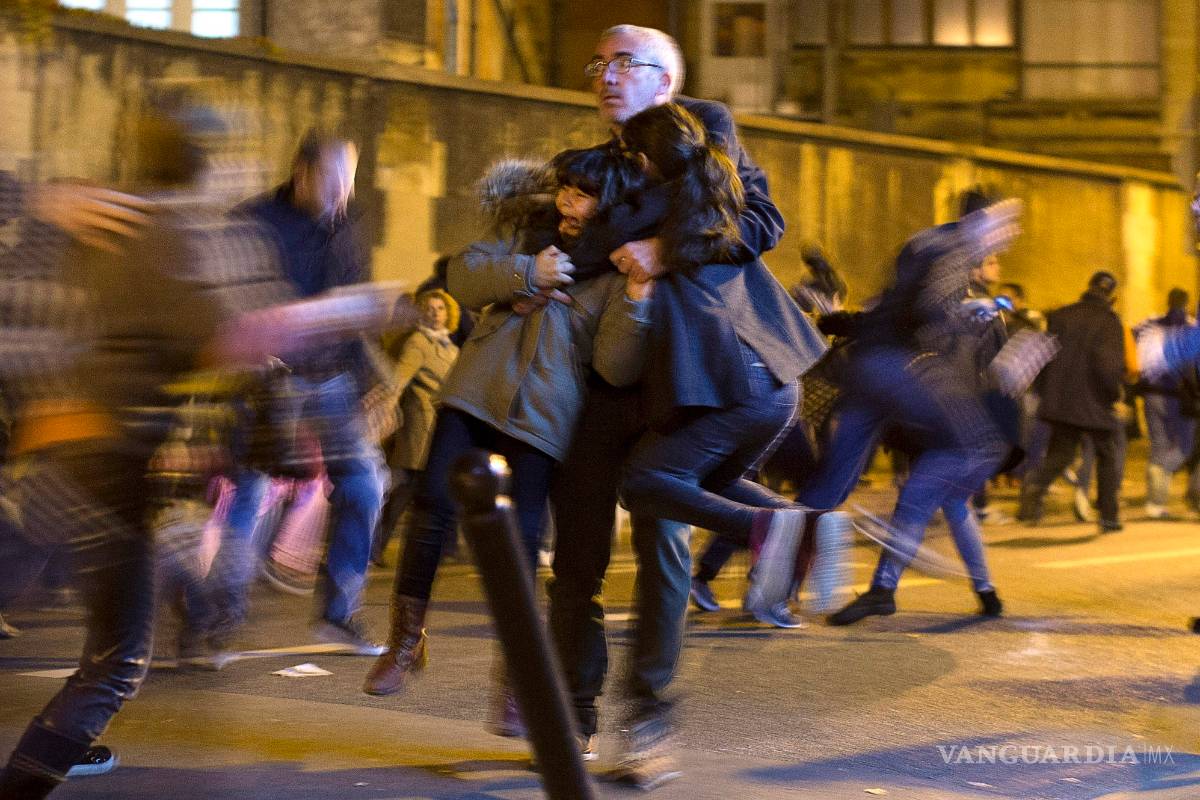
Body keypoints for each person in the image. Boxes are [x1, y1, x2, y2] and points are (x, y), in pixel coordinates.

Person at [544, 25, 792, 788]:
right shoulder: (583, 165)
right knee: (578, 556)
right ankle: (571, 723)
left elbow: (761, 223)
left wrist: (665, 249)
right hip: (600, 378)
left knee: (661, 545)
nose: (607, 75)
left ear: (668, 82)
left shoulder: (705, 133)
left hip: (683, 379)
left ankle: (647, 720)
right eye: (600, 62)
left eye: (626, 62)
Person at [362, 147, 654, 722]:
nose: (568, 201)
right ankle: (405, 640)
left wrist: (638, 301)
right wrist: (528, 273)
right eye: (565, 188)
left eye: (583, 193)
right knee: (432, 508)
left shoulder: (618, 269)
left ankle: (516, 677)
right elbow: (462, 276)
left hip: (544, 420)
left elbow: (617, 365)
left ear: (611, 204)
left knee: (516, 549)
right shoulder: (525, 231)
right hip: (474, 390)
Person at [795, 194, 1023, 625]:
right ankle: (903, 575)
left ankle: (777, 575)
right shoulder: (956, 256)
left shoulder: (924, 244)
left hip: (875, 370)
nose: (1011, 236)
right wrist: (965, 317)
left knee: (834, 485)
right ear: (981, 222)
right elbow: (930, 312)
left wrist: (840, 322)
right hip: (912, 383)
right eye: (1007, 224)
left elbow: (890, 306)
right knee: (964, 455)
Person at [226, 130, 390, 654]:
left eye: (351, 181)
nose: (343, 194)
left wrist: (372, 382)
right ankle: (217, 618)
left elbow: (352, 305)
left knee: (364, 485)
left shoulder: (350, 224)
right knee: (248, 492)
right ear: (303, 172)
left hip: (333, 377)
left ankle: (340, 612)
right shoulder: (253, 222)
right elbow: (234, 304)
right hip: (265, 378)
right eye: (334, 180)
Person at [1018, 271, 1127, 532]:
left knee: (1061, 453)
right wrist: (1114, 397)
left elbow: (1044, 357)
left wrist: (1046, 392)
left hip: (1061, 399)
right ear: (1112, 296)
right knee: (1108, 454)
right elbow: (1108, 367)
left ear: (1088, 287)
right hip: (1093, 402)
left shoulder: (1061, 315)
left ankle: (1035, 484)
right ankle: (1109, 515)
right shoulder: (1109, 321)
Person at [371, 289, 461, 566]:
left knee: (430, 489)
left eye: (440, 308)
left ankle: (442, 546)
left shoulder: (450, 347)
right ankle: (375, 547)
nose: (435, 312)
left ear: (449, 313)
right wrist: (383, 409)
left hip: (440, 427)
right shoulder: (418, 343)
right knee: (405, 491)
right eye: (430, 308)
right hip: (421, 426)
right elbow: (398, 379)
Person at [1133, 288, 1194, 518]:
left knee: (1158, 446)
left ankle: (1155, 503)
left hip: (1151, 395)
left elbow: (1132, 341)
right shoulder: (1189, 328)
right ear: (1185, 304)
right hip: (1177, 398)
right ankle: (1162, 475)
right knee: (1183, 447)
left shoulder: (1150, 324)